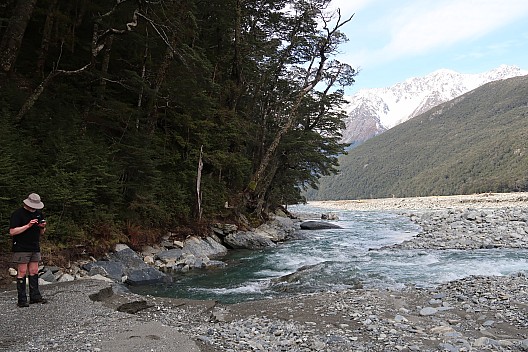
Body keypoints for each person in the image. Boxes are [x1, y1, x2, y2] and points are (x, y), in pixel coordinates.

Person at [9, 193, 48, 307]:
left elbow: (41, 233)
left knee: (34, 271)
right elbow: (12, 232)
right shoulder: (17, 214)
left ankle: (35, 296)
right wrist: (28, 226)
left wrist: (42, 227)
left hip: (34, 246)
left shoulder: (39, 214)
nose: (34, 209)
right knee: (21, 272)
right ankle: (22, 299)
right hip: (21, 247)